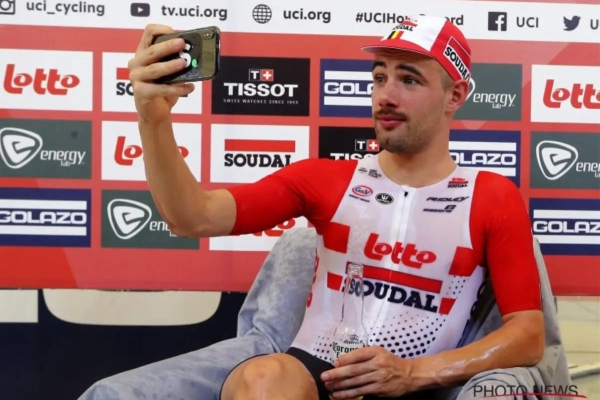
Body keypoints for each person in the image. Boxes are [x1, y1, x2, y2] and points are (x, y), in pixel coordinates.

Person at [127, 15, 544, 400]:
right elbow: (193, 217)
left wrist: (413, 372)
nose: (386, 95)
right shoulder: (326, 179)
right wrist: (153, 119)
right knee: (263, 377)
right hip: (317, 376)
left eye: (409, 80)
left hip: (420, 386)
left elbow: (528, 335)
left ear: (455, 95)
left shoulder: (491, 196)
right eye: (379, 77)